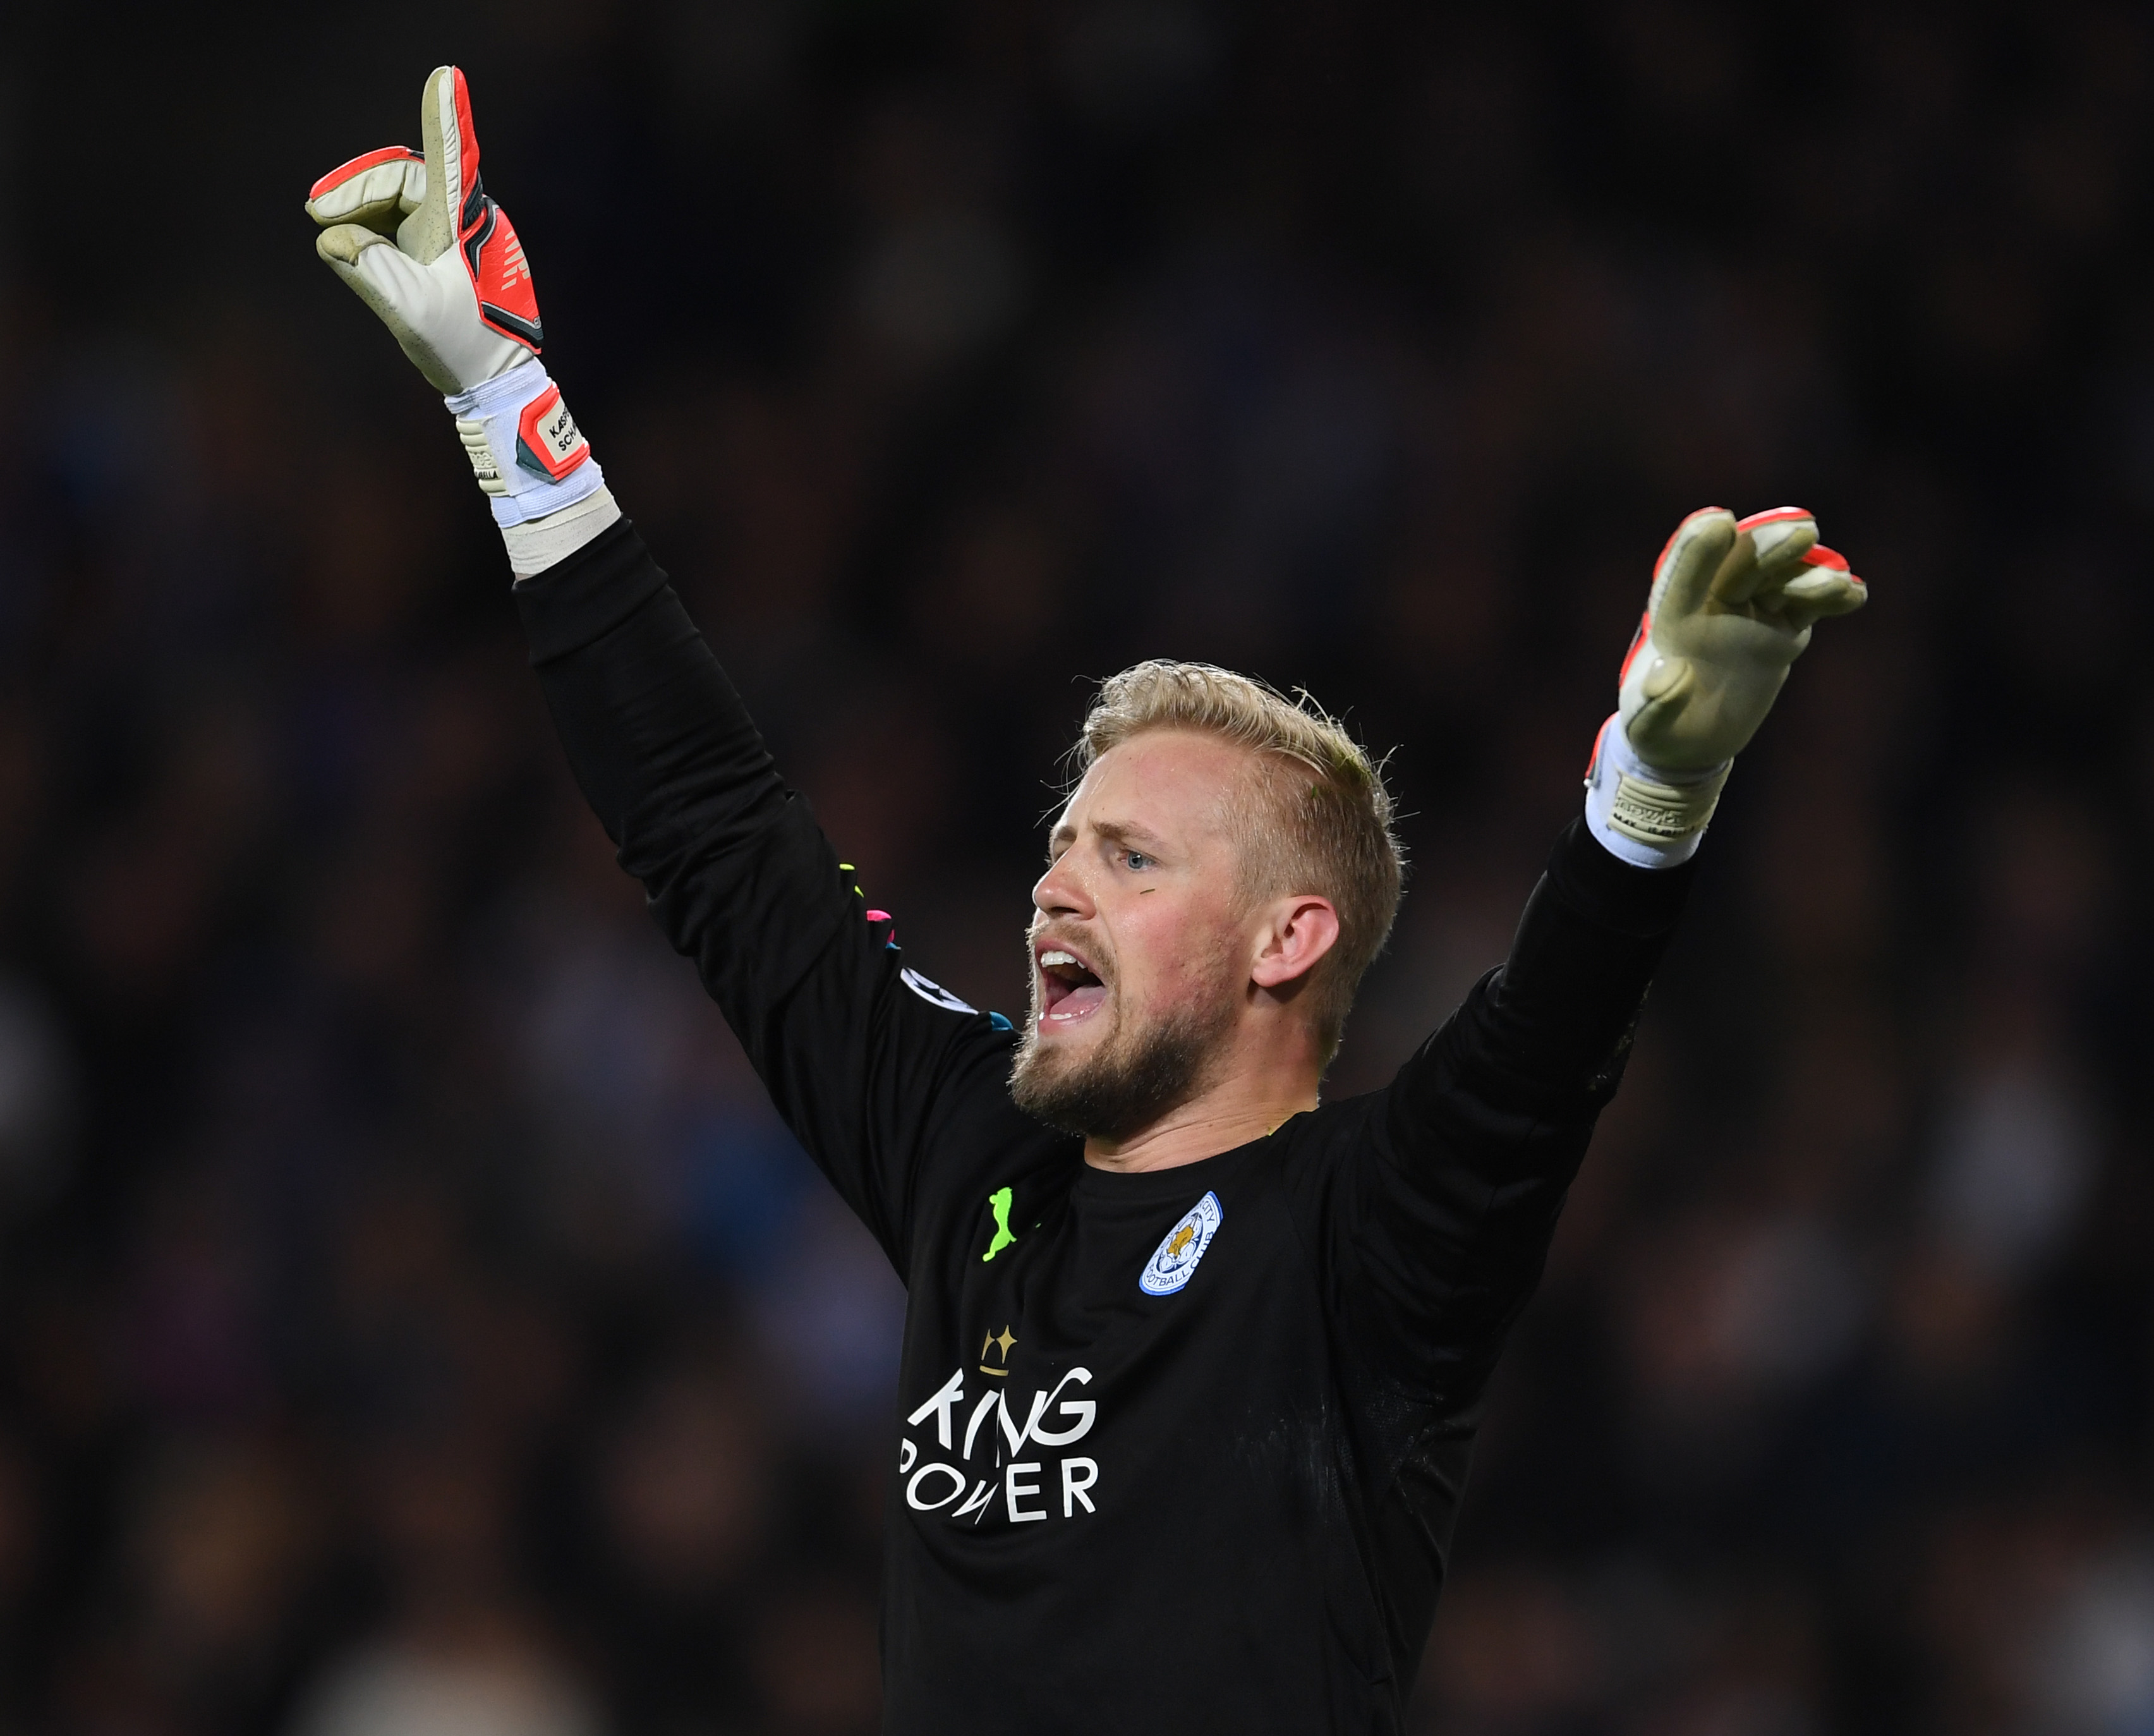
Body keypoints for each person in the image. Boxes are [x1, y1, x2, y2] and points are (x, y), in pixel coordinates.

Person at [305, 68, 1867, 1735]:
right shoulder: (970, 1150)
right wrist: (497, 397)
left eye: (1131, 855)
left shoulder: (1364, 1242)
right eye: (1065, 838)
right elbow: (711, 833)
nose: (1057, 877)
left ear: (1289, 940)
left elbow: (1537, 1053)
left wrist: (1651, 793)